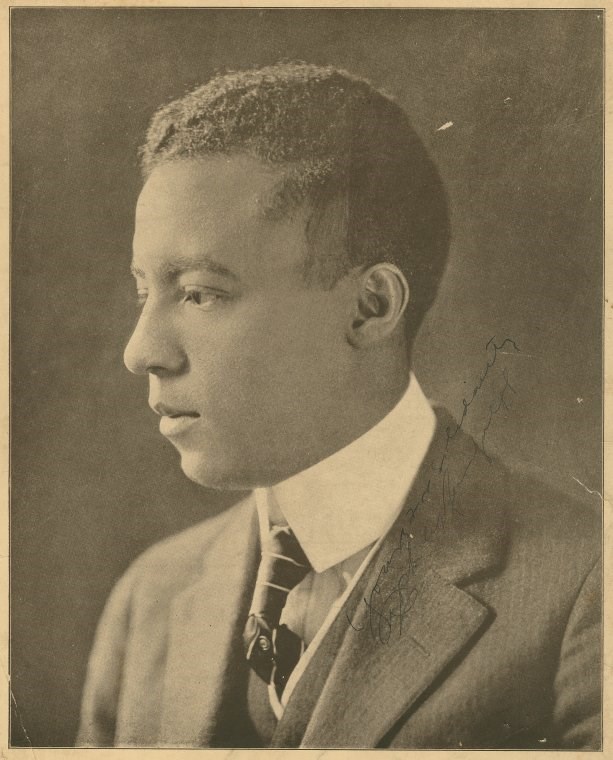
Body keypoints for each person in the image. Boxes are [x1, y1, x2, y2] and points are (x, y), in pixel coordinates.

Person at [76, 62, 601, 749]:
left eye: (202, 293)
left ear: (370, 307)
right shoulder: (150, 597)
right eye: (147, 290)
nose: (141, 351)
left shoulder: (586, 588)